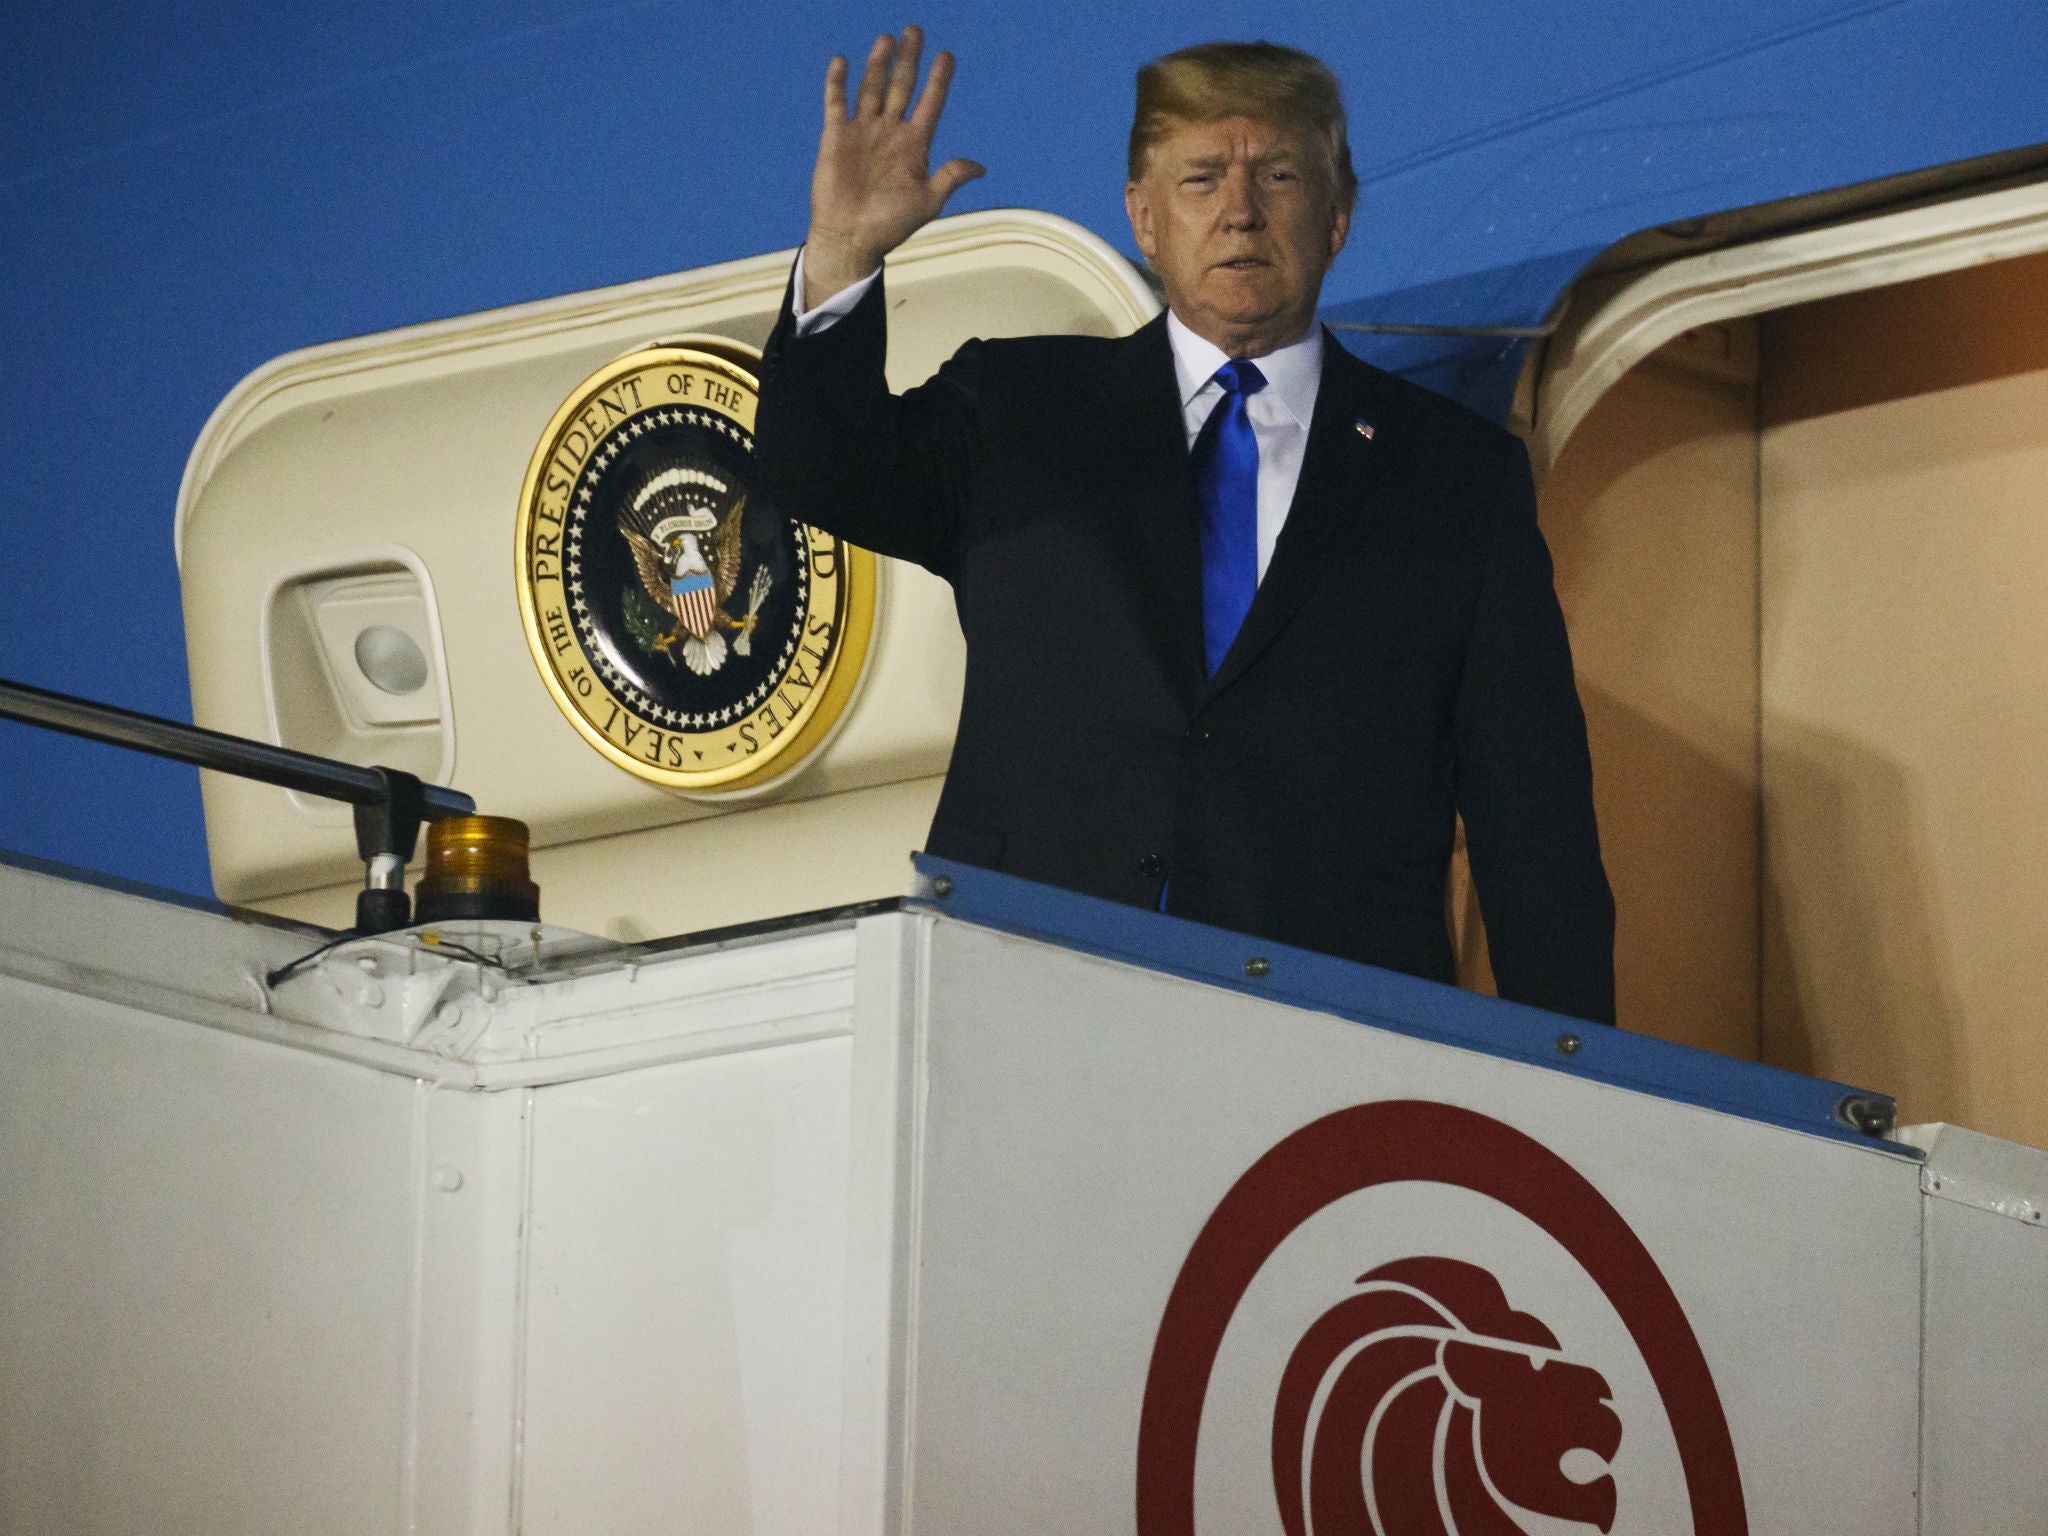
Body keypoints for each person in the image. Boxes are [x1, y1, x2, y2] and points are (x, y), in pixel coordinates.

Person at [756, 30, 1616, 1025]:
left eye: (1279, 175)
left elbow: (1532, 831)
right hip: (1022, 1014)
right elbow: (817, 472)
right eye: (1201, 179)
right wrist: (840, 257)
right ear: (1144, 218)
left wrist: (1574, 1085)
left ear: (1336, 216)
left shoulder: (1454, 479)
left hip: (1328, 1051)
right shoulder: (1016, 409)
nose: (1240, 210)